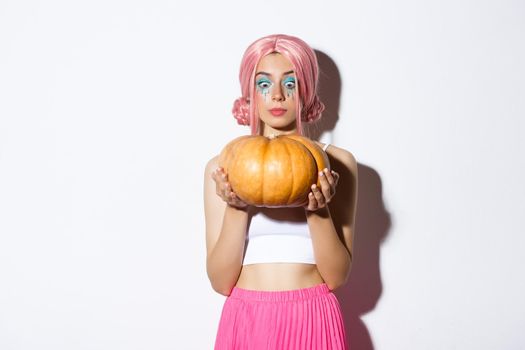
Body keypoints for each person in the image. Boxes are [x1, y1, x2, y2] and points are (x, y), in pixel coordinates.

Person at [204, 34, 358, 350]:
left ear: (307, 91)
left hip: (313, 316)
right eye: (264, 84)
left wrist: (317, 209)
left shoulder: (337, 162)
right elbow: (221, 282)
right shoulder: (222, 167)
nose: (277, 95)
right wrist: (235, 206)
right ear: (250, 93)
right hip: (246, 319)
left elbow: (337, 277)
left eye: (290, 84)